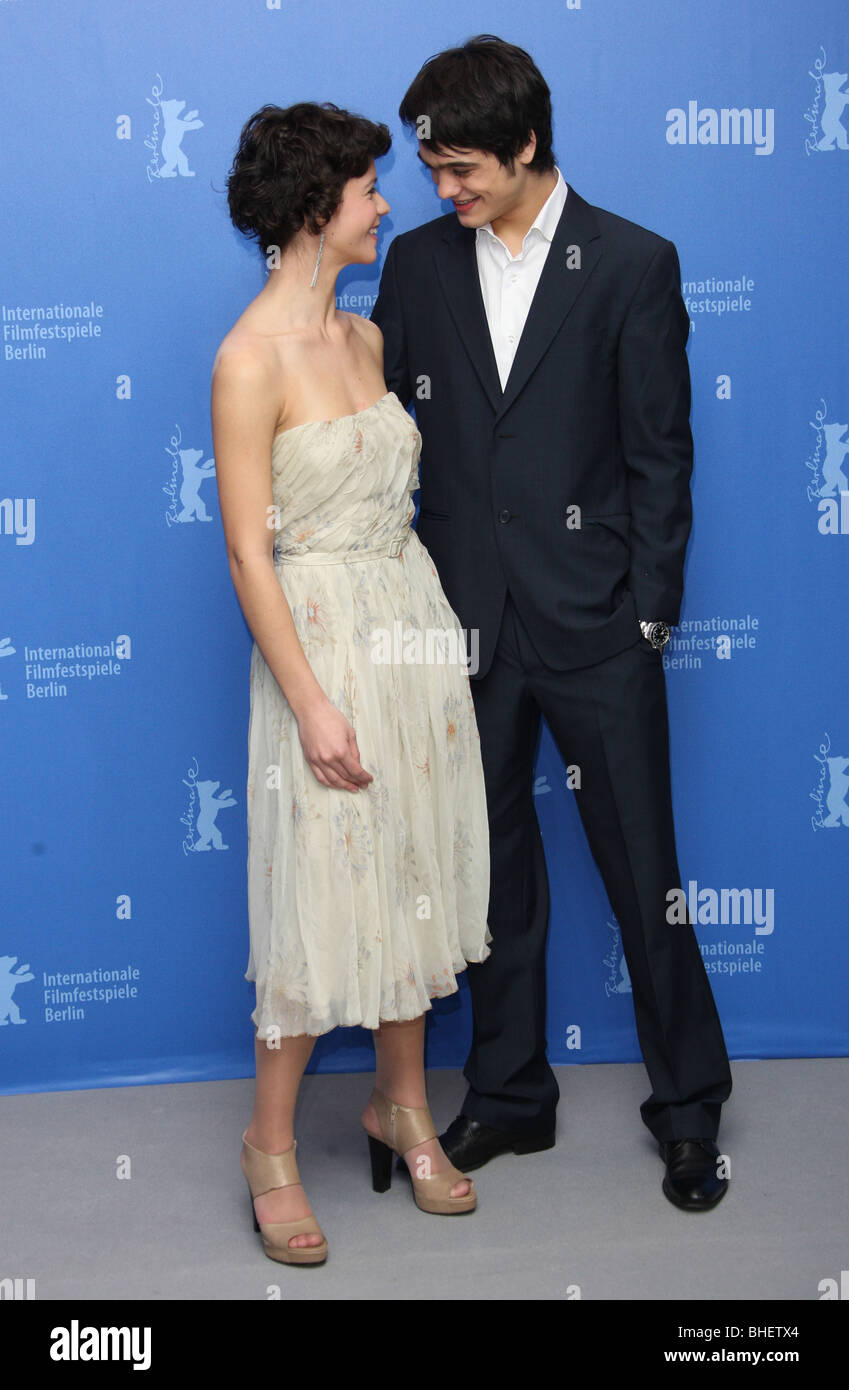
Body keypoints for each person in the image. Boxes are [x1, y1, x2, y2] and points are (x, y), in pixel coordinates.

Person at [372, 35, 733, 1211]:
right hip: (462, 628)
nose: (443, 190)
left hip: (597, 628)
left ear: (527, 145)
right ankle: (511, 1094)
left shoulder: (633, 263)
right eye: (430, 170)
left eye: (462, 167)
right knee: (488, 882)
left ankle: (688, 1111)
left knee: (648, 879)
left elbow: (659, 461)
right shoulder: (421, 266)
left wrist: (649, 620)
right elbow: (390, 446)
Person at [211, 100, 491, 1264]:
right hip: (318, 649)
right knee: (318, 894)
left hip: (410, 631)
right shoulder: (246, 359)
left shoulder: (370, 340)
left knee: (413, 868)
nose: (389, 202)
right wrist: (313, 700)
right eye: (371, 187)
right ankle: (269, 1147)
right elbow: (246, 550)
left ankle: (402, 1106)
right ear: (313, 208)